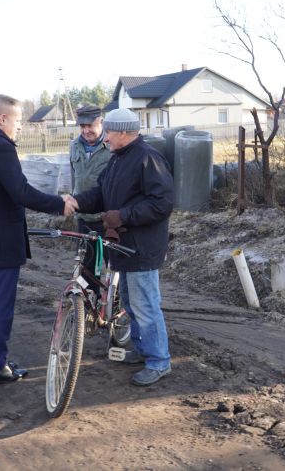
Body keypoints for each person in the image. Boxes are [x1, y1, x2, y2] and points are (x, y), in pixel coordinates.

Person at [0, 94, 77, 387]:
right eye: (18, 120)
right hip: (1, 237)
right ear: (2, 118)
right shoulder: (0, 147)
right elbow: (21, 192)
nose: (20, 127)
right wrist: (59, 204)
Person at [73, 107, 174, 386]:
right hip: (124, 246)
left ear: (125, 133)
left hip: (141, 247)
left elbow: (162, 203)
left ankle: (159, 361)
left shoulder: (147, 158)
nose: (105, 139)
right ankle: (143, 351)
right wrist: (77, 201)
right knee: (130, 303)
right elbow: (101, 193)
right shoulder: (119, 159)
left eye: (110, 134)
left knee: (145, 305)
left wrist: (124, 215)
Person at [69, 105, 112, 273]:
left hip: (107, 219)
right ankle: (89, 299)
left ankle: (112, 299)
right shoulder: (74, 146)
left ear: (101, 122)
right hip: (83, 217)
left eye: (90, 126)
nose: (86, 131)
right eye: (82, 126)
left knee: (112, 269)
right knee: (86, 267)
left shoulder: (111, 147)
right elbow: (75, 179)